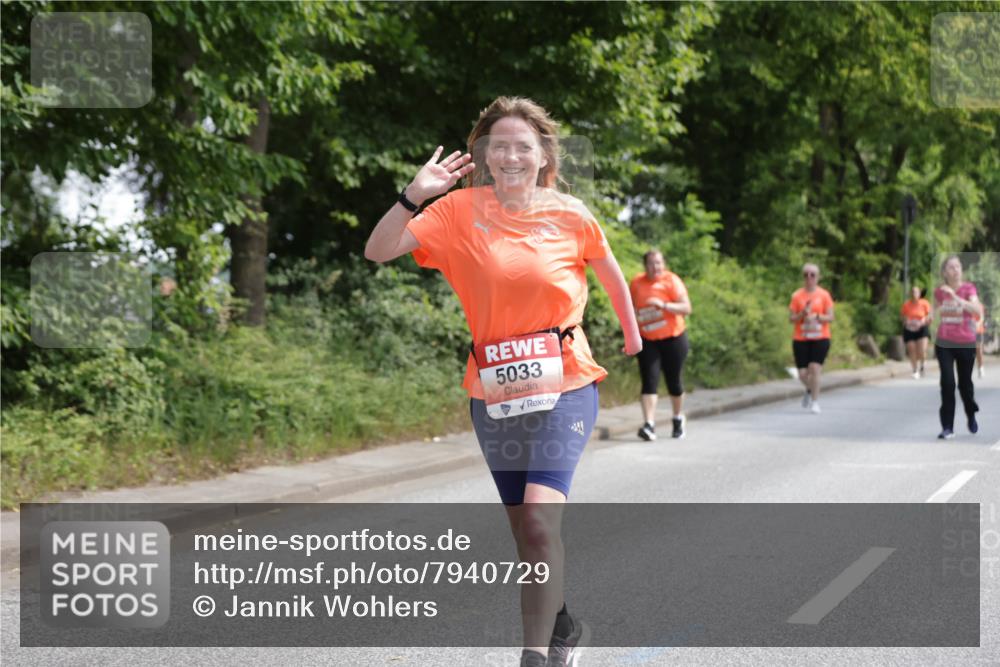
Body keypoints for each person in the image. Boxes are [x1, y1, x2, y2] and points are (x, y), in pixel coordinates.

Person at [364, 96, 642, 667]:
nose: (511, 155)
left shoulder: (570, 213)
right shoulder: (456, 212)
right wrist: (414, 196)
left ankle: (535, 657)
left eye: (524, 145)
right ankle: (563, 624)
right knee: (527, 534)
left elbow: (609, 268)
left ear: (543, 156)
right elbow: (378, 250)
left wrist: (634, 332)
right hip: (494, 392)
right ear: (484, 156)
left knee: (539, 521)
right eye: (499, 146)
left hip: (566, 382)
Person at [630, 249, 691, 440]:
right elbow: (630, 308)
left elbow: (687, 308)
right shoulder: (637, 283)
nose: (655, 267)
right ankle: (649, 424)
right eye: (651, 263)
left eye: (658, 263)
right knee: (649, 380)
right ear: (645, 265)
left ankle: (677, 418)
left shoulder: (671, 280)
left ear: (663, 264)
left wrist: (663, 305)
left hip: (674, 338)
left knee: (674, 382)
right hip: (648, 339)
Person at [932, 255, 983, 439]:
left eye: (958, 266)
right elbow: (933, 314)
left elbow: (976, 311)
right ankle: (947, 427)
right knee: (947, 383)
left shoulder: (969, 289)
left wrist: (954, 297)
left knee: (964, 385)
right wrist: (933, 313)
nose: (956, 270)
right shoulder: (939, 292)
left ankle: (971, 413)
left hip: (966, 342)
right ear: (945, 272)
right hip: (945, 342)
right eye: (951, 267)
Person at [788, 263, 834, 414]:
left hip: (820, 337)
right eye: (806, 275)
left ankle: (815, 402)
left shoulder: (824, 295)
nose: (809, 278)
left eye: (812, 275)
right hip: (801, 338)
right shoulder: (797, 296)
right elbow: (791, 318)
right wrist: (802, 314)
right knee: (802, 374)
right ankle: (810, 388)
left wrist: (817, 317)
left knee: (814, 368)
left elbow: (831, 316)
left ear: (818, 277)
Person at [900, 285, 931, 378]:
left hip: (922, 328)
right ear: (910, 293)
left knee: (922, 349)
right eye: (912, 292)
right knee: (911, 349)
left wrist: (924, 320)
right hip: (909, 329)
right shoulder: (906, 304)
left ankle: (922, 365)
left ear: (919, 293)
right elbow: (902, 317)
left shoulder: (925, 303)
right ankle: (914, 369)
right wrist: (906, 321)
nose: (914, 294)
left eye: (916, 292)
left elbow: (929, 315)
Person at [976, 306, 987, 379]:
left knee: (978, 349)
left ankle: (981, 367)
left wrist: (978, 324)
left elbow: (982, 317)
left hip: (978, 330)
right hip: (966, 331)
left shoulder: (980, 305)